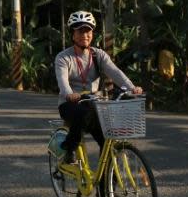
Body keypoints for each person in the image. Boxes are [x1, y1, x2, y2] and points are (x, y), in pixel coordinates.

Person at [54, 10, 143, 166]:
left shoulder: (98, 55)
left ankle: (106, 187)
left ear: (92, 33)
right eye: (79, 31)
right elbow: (63, 81)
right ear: (72, 34)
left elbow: (115, 72)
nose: (84, 35)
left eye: (87, 30)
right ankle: (70, 148)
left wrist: (131, 87)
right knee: (83, 113)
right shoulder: (63, 57)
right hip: (70, 104)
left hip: (95, 104)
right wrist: (69, 94)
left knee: (109, 143)